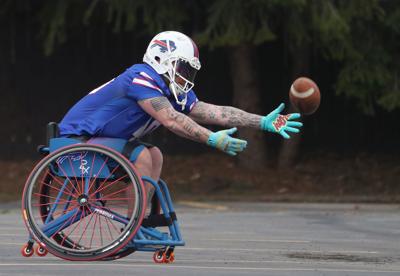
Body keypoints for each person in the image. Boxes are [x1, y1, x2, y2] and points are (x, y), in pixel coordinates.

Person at [58, 31, 303, 200]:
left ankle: (137, 220)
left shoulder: (166, 87)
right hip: (76, 141)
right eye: (182, 67)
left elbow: (213, 112)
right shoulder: (141, 77)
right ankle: (131, 228)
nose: (185, 75)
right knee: (142, 155)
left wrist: (261, 121)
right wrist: (211, 139)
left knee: (155, 155)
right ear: (161, 58)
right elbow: (171, 120)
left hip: (100, 143)